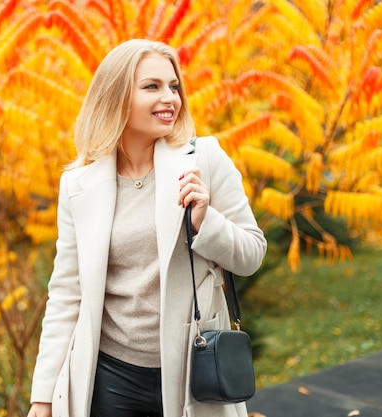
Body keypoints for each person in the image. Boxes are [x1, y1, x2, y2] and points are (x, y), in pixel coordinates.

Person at [27, 39, 267, 417]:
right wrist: (42, 397)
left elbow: (252, 254)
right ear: (117, 96)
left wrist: (207, 222)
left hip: (194, 370)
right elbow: (66, 295)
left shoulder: (203, 159)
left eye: (173, 86)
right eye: (152, 86)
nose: (169, 98)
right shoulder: (79, 184)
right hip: (110, 376)